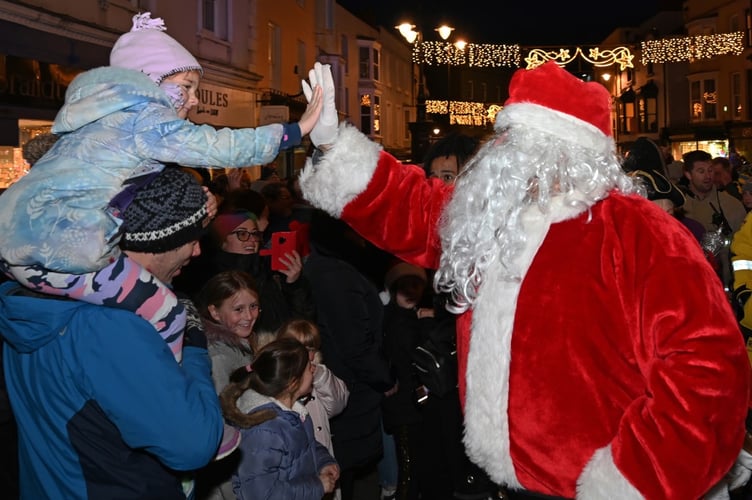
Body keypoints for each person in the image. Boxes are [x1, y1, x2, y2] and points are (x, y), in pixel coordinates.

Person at [298, 60, 751, 498]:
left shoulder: (637, 232)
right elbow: (410, 207)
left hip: (599, 484)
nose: (499, 157)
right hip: (511, 478)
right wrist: (335, 144)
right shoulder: (490, 216)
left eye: (517, 145)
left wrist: (632, 478)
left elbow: (707, 372)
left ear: (565, 153)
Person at [0, 11, 323, 364]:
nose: (194, 100)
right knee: (168, 314)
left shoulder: (106, 120)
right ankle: (158, 384)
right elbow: (213, 145)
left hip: (22, 245)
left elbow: (115, 188)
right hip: (60, 250)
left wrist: (195, 206)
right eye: (185, 87)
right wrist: (294, 131)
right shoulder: (143, 115)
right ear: (149, 83)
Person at [0, 168, 226, 498]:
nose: (197, 252)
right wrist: (194, 348)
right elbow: (194, 444)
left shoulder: (35, 298)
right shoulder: (110, 328)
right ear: (157, 243)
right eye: (191, 241)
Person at [303, 208, 397, 500]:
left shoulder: (332, 265)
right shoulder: (336, 274)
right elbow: (355, 342)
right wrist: (385, 377)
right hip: (350, 391)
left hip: (345, 386)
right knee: (340, 478)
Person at [219, 338, 340, 499]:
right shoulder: (264, 430)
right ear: (292, 383)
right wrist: (317, 486)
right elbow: (262, 494)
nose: (313, 369)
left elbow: (306, 446)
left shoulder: (292, 410)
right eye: (308, 367)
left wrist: (323, 462)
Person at [276, 318, 350, 500]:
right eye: (299, 348)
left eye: (310, 349)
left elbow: (338, 404)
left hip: (322, 459)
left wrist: (321, 377)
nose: (306, 355)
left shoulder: (318, 374)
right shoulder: (279, 379)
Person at [209, 210, 314, 335]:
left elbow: (301, 322)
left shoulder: (267, 270)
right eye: (242, 234)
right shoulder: (215, 280)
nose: (252, 240)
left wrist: (294, 284)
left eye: (255, 234)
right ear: (222, 241)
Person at [681, 149, 747, 291]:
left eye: (710, 170)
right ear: (688, 175)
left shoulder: (732, 205)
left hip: (727, 285)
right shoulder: (678, 207)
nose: (708, 176)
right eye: (701, 171)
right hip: (690, 285)